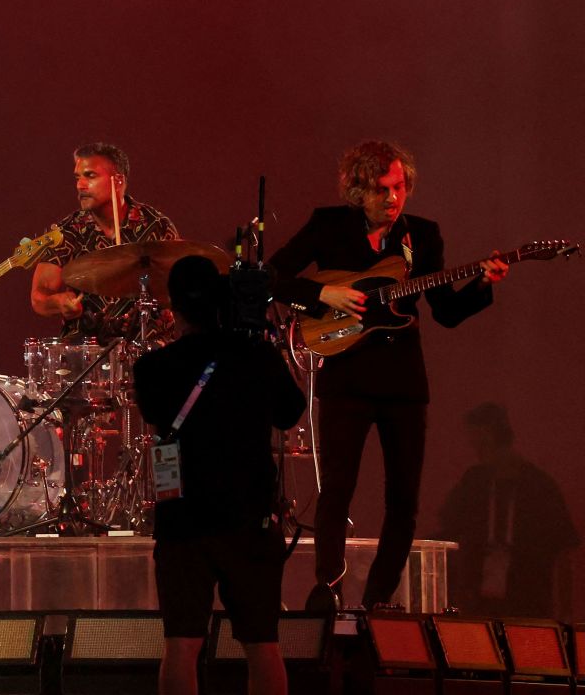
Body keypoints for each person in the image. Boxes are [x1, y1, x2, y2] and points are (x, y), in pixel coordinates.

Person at [269, 139, 509, 609]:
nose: (393, 199)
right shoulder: (329, 225)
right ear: (358, 191)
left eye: (399, 187)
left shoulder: (422, 235)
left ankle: (379, 598)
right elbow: (271, 276)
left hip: (403, 381)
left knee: (404, 500)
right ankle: (329, 591)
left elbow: (446, 312)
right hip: (347, 377)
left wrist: (482, 283)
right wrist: (323, 298)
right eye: (382, 189)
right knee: (337, 490)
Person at [133, 255, 304, 695]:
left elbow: (156, 413)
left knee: (182, 644)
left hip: (184, 519)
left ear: (173, 309)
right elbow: (290, 413)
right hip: (249, 518)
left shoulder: (151, 368)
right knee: (262, 644)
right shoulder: (258, 357)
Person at [438, 402, 578, 619]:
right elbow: (448, 529)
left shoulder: (538, 487)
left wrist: (566, 617)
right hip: (479, 604)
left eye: (481, 445)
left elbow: (562, 553)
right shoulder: (475, 482)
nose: (478, 452)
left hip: (527, 604)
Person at [30, 142, 179, 341]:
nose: (80, 185)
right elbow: (39, 296)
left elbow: (182, 285)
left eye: (90, 176)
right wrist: (59, 302)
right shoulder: (67, 231)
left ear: (118, 180)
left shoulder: (156, 225)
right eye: (77, 177)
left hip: (151, 350)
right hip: (88, 352)